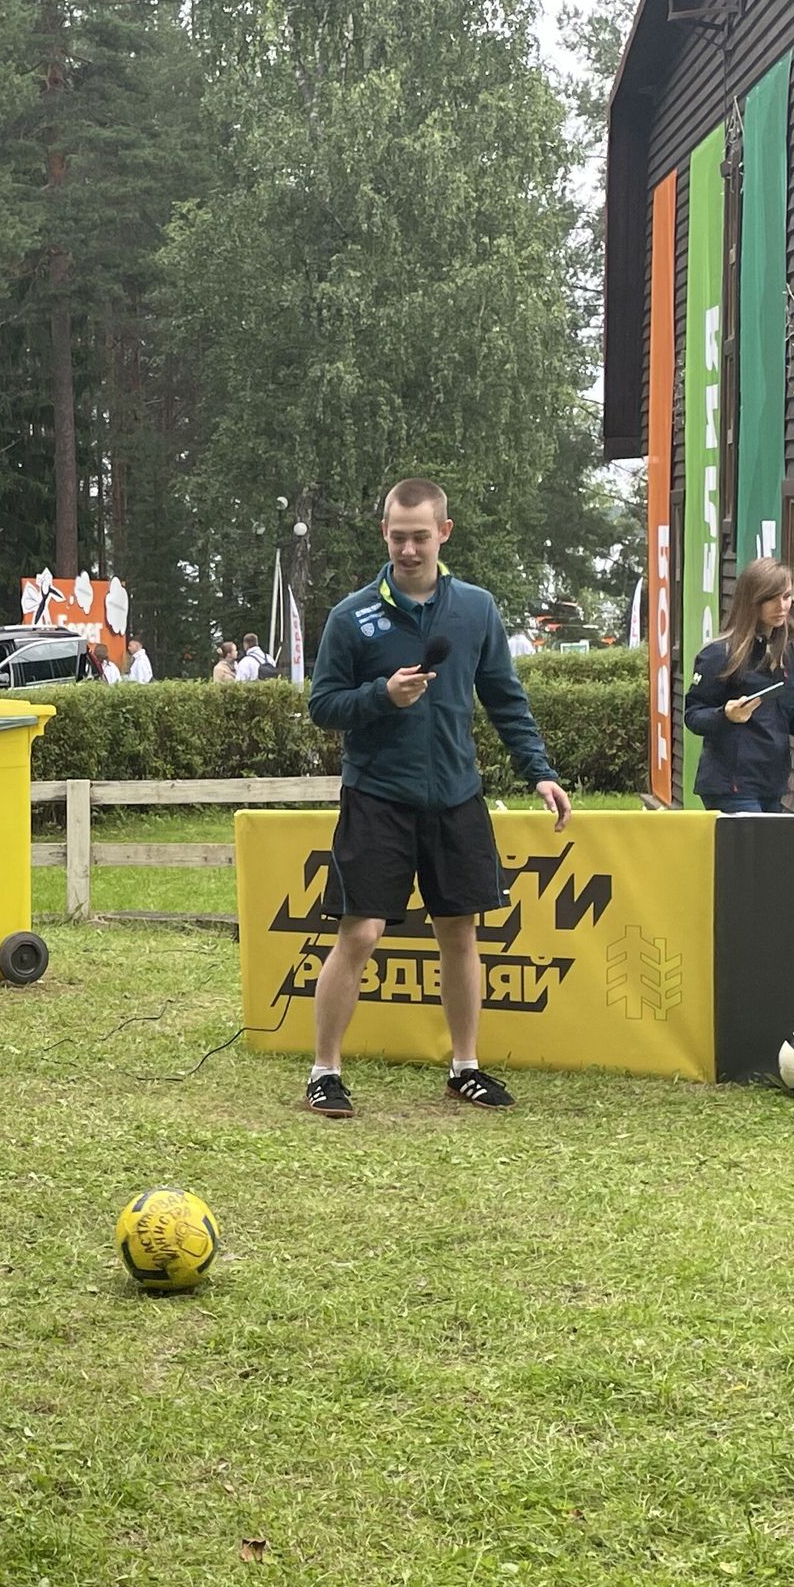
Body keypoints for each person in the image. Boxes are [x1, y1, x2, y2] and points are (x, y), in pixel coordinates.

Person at [302, 478, 571, 1121]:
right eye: (398, 536)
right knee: (361, 933)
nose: (408, 548)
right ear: (384, 534)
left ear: (443, 533)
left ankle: (465, 1068)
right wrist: (379, 697)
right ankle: (324, 1072)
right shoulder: (352, 615)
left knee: (460, 932)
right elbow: (322, 707)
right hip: (377, 797)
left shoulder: (475, 609)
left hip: (456, 796)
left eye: (420, 535)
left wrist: (538, 770)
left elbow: (506, 700)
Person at [684, 556, 794, 814]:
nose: (781, 606)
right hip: (731, 786)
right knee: (748, 854)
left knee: (768, 855)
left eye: (787, 596)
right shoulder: (719, 654)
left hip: (773, 783)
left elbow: (790, 707)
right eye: (771, 598)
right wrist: (726, 715)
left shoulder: (793, 650)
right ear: (752, 601)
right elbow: (693, 716)